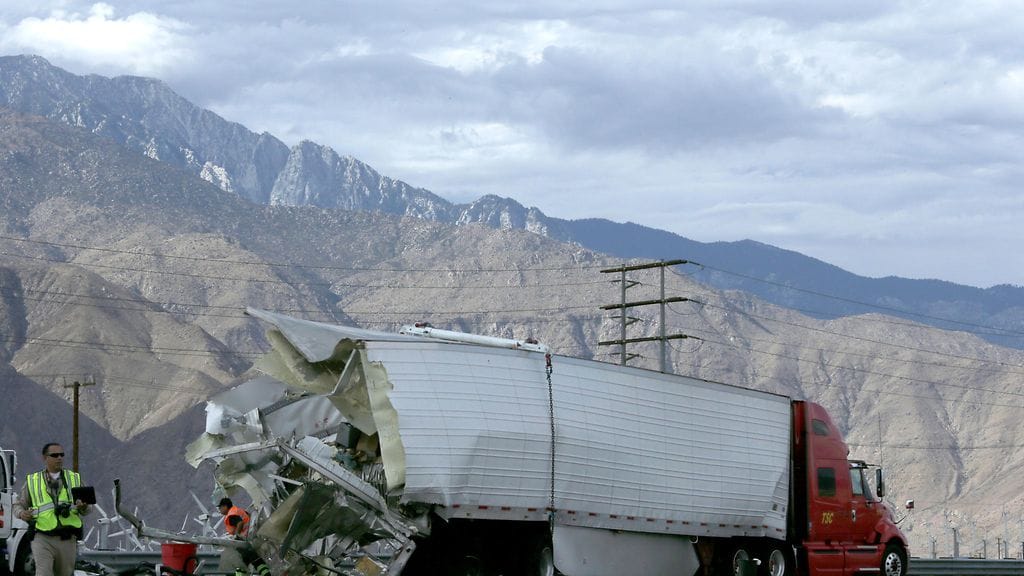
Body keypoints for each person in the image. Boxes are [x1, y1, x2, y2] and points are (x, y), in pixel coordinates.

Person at [13, 443, 91, 576]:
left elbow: (88, 509)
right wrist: (22, 513)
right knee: (43, 573)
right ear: (45, 458)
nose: (59, 458)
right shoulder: (33, 481)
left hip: (67, 539)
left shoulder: (74, 479)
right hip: (42, 537)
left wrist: (84, 507)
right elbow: (18, 505)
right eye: (55, 455)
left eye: (62, 455)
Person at [216, 498, 268, 576]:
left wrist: (236, 536)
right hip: (251, 538)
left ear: (225, 506)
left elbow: (240, 523)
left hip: (243, 541)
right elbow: (249, 516)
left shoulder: (231, 515)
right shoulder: (238, 510)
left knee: (251, 562)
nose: (219, 510)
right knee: (247, 562)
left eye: (220, 508)